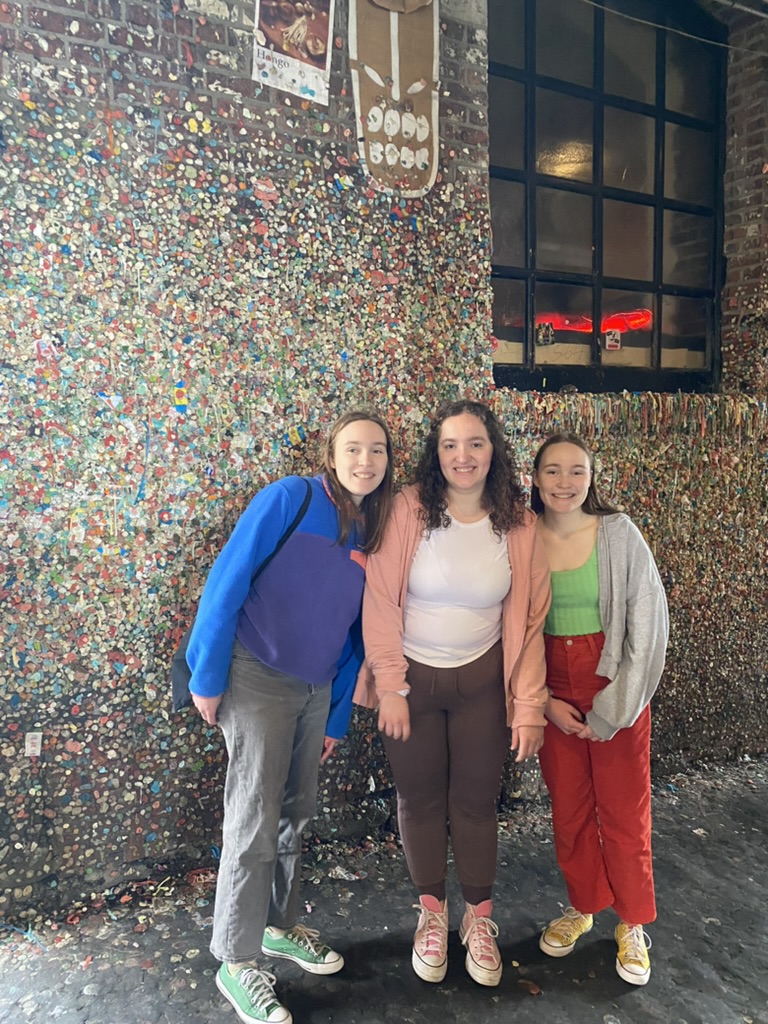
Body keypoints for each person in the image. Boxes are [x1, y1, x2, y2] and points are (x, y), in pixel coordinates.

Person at [186, 409, 393, 1024]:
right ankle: (236, 959)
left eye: (377, 451)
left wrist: (333, 717)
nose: (365, 461)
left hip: (312, 690)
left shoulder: (371, 530)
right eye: (353, 449)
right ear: (332, 455)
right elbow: (227, 581)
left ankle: (277, 926)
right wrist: (208, 675)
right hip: (255, 678)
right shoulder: (290, 499)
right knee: (253, 819)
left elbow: (356, 635)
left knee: (294, 813)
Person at [354, 399, 550, 988]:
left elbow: (532, 620)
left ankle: (478, 921)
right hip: (410, 682)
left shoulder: (520, 522)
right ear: (435, 455)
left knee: (474, 802)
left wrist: (530, 707)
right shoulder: (407, 508)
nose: (463, 456)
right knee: (418, 801)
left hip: (482, 685)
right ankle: (432, 917)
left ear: (495, 450)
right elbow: (380, 602)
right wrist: (389, 686)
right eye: (450, 445)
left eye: (475, 444)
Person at [531, 432, 668, 987]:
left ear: (592, 478)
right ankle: (582, 905)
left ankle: (632, 923)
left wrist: (613, 708)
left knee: (624, 810)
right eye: (553, 471)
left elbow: (648, 628)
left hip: (613, 679)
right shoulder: (520, 536)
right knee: (568, 806)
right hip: (549, 683)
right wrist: (542, 702)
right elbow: (510, 628)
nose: (565, 482)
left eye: (576, 471)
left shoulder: (620, 534)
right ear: (534, 478)